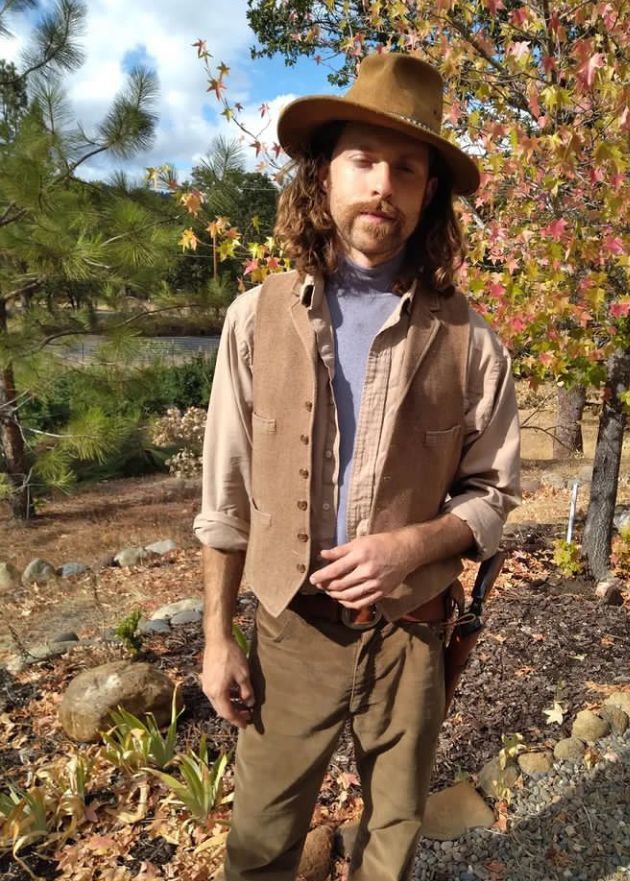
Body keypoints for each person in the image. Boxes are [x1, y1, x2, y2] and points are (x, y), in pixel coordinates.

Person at [193, 53, 521, 881]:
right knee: (261, 841)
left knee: (395, 833)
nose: (383, 184)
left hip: (411, 633)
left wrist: (409, 549)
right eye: (364, 160)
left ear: (427, 194)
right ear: (323, 174)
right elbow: (225, 494)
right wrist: (215, 635)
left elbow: (493, 492)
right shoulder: (255, 318)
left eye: (406, 168)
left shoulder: (471, 340)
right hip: (288, 628)